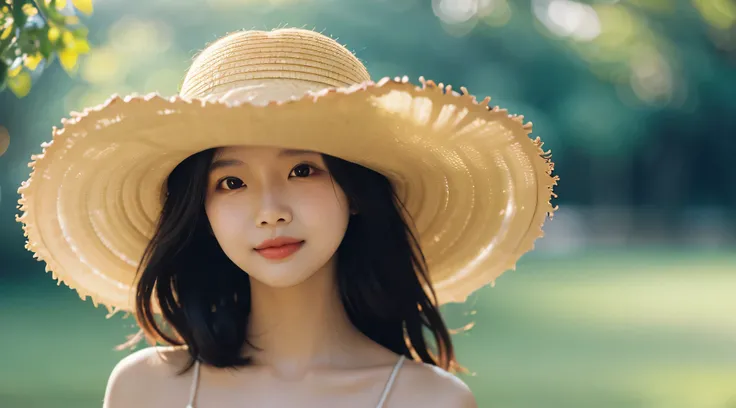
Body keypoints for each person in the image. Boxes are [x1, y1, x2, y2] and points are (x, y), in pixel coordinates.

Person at [16, 28, 558, 407]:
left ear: (357, 192)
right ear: (199, 212)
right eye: (231, 182)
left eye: (302, 170)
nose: (270, 211)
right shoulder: (144, 390)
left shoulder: (429, 401)